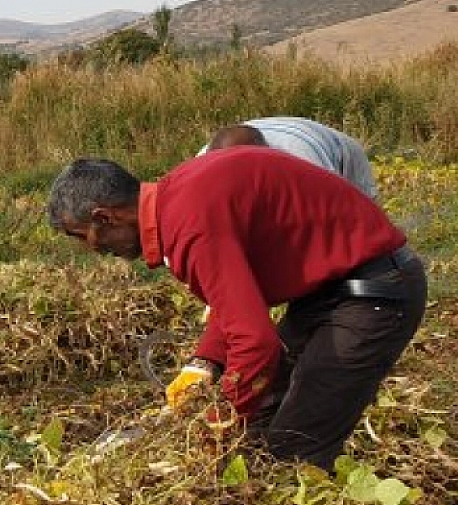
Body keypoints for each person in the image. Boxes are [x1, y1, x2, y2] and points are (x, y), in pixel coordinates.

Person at [46, 148, 426, 468]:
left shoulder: (189, 224)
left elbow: (255, 343)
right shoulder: (178, 199)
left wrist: (215, 429)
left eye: (83, 238)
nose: (93, 251)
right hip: (329, 292)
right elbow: (238, 297)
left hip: (374, 293)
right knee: (258, 420)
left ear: (104, 217)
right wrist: (205, 363)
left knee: (293, 448)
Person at [201, 117, 379, 200]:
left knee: (363, 225)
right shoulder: (202, 166)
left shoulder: (302, 154)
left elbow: (327, 202)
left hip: (342, 152)